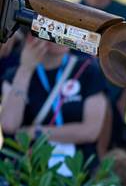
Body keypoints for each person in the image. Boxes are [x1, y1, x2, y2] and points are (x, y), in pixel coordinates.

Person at [1, 36, 108, 172]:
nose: (62, 34)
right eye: (54, 29)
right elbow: (9, 125)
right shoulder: (14, 74)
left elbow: (91, 130)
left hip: (76, 175)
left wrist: (37, 132)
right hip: (28, 175)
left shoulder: (87, 70)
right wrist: (25, 69)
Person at [78, 0, 126, 154]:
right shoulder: (73, 12)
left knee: (117, 156)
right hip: (82, 95)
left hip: (115, 93)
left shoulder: (125, 13)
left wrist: (124, 100)